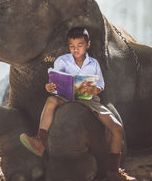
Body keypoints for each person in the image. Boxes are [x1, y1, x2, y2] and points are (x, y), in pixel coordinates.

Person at [20, 27, 135, 181]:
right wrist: (49, 87)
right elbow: (54, 82)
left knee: (117, 128)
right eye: (72, 46)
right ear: (68, 46)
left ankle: (113, 171)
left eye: (79, 45)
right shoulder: (62, 60)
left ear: (88, 45)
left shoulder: (93, 64)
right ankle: (39, 141)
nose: (75, 49)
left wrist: (95, 88)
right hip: (66, 97)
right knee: (51, 100)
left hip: (89, 100)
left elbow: (101, 85)